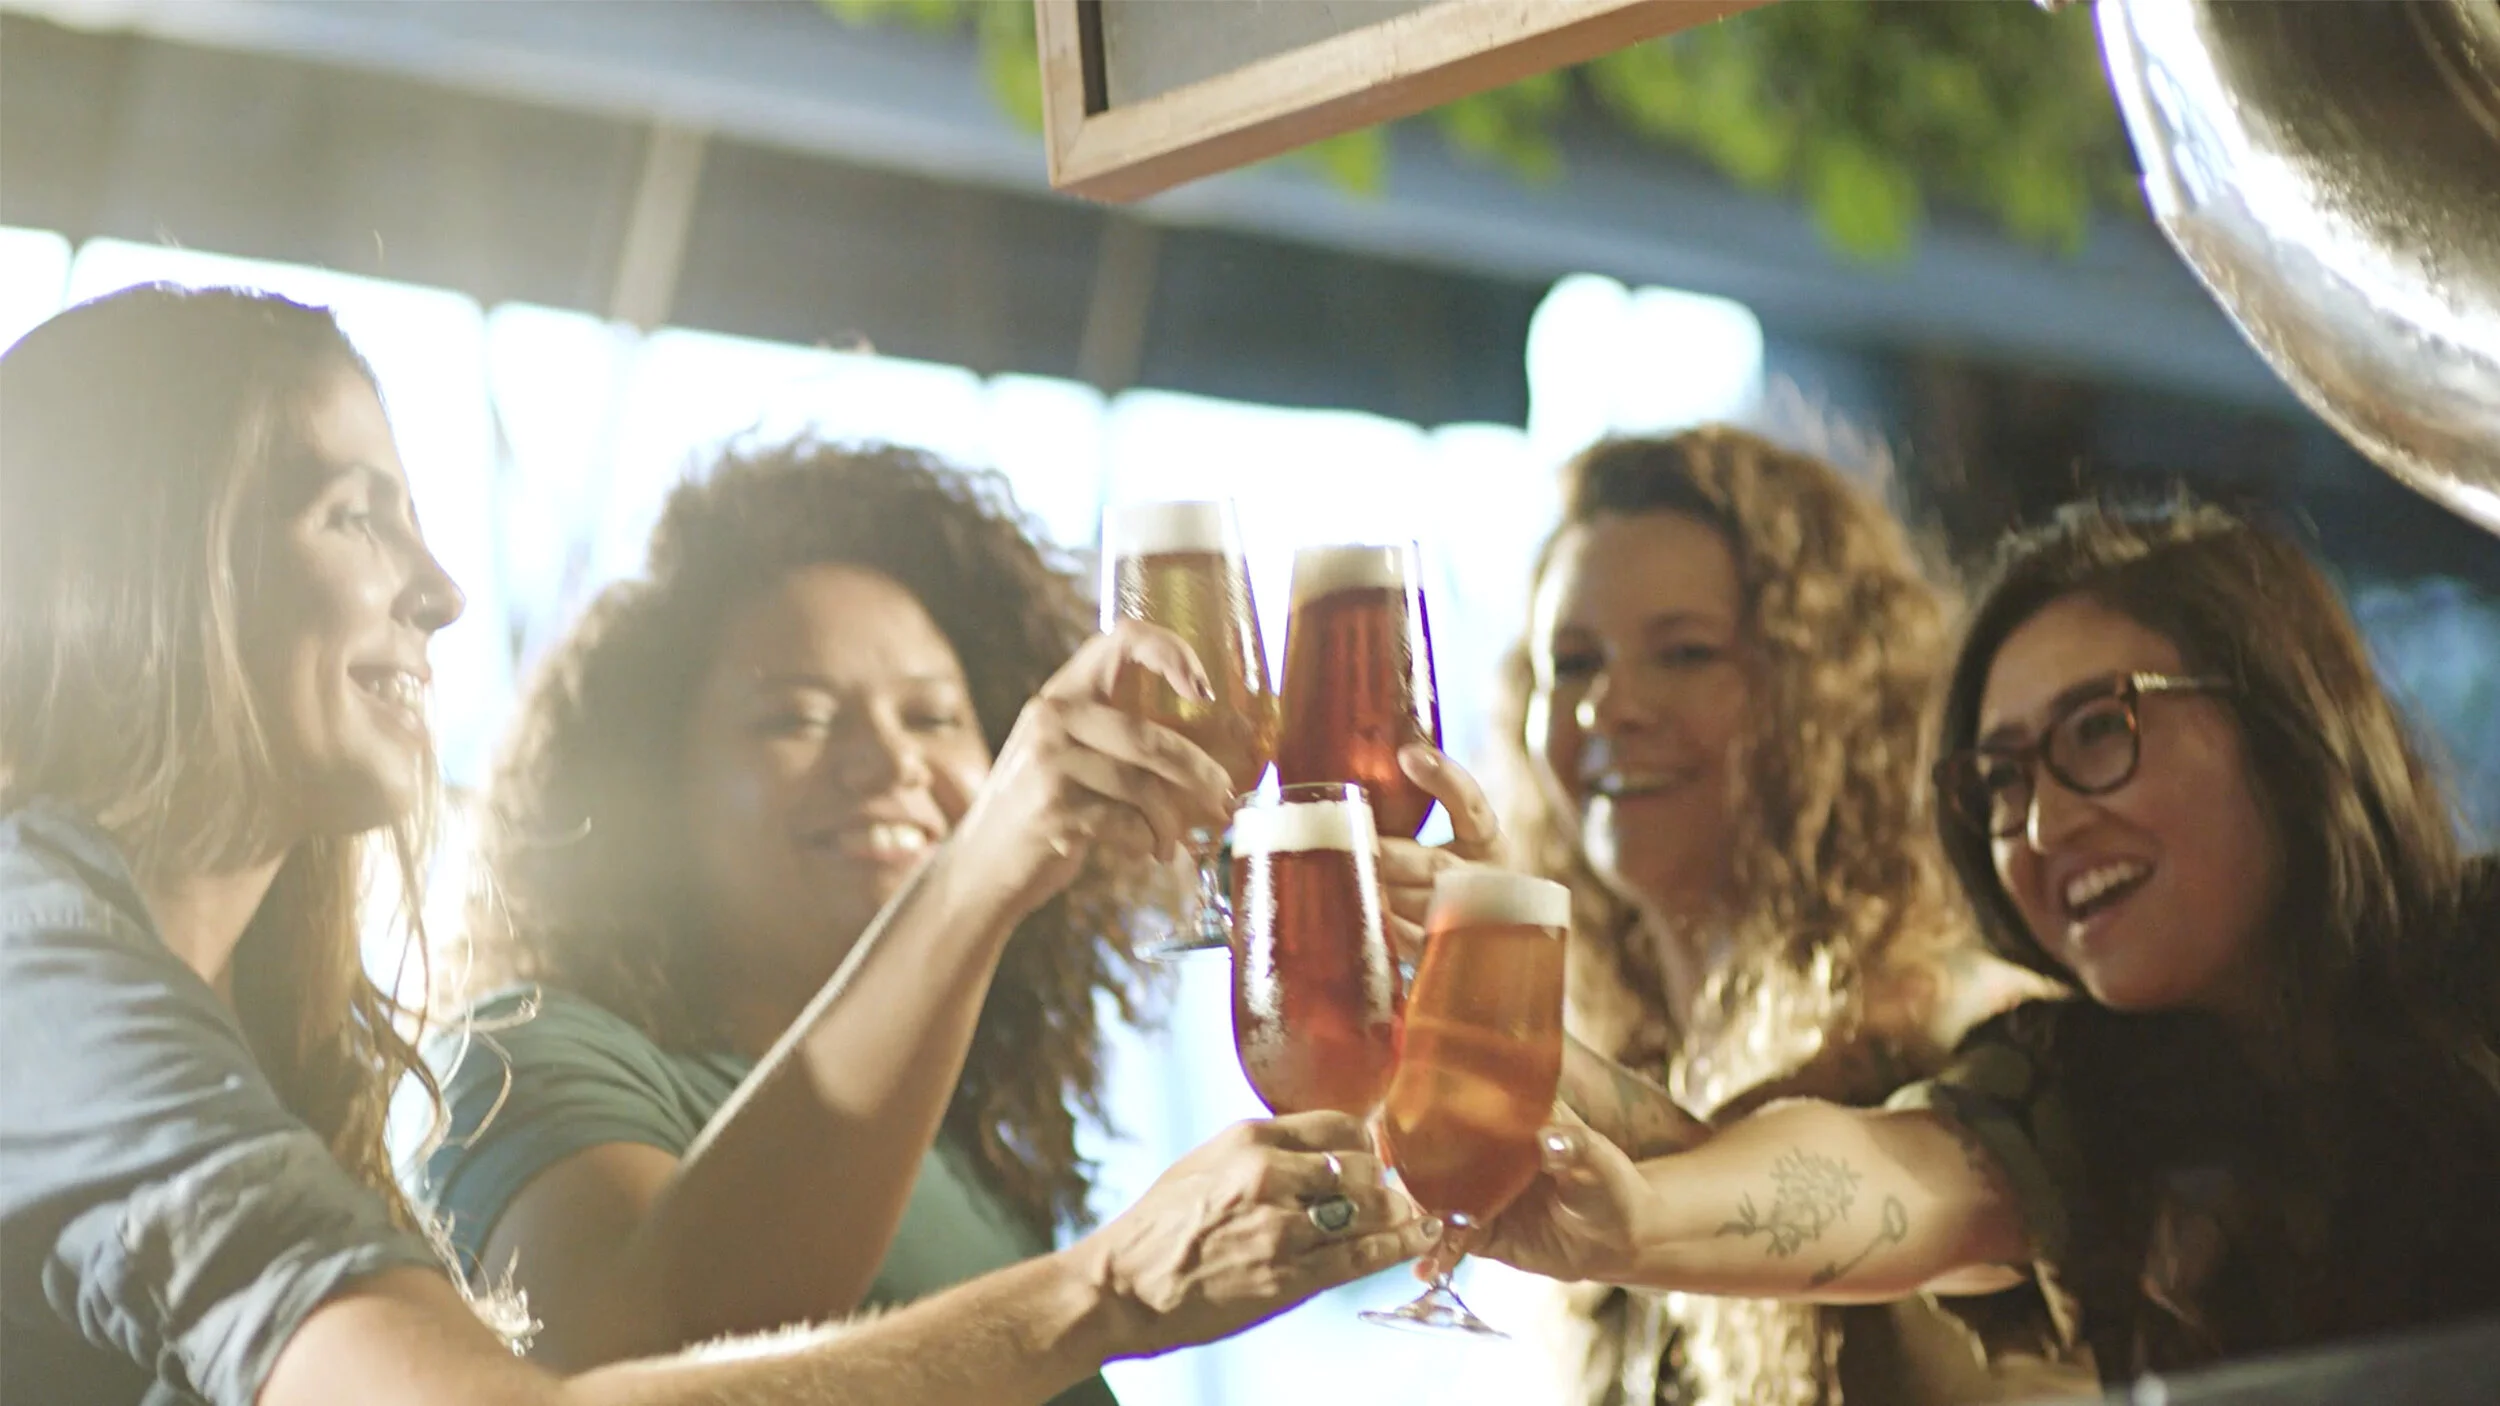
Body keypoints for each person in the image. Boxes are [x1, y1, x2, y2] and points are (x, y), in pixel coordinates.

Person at [0, 284, 1440, 1406]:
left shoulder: (246, 1021)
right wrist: (1102, 1291)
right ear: (138, 568)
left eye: (935, 713)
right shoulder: (39, 970)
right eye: (352, 516)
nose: (437, 589)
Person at [1457, 497, 2500, 1382]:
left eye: (2099, 728)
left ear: (2282, 720)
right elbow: (1884, 1174)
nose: (2042, 823)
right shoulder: (2085, 1088)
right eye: (2002, 779)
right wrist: (1625, 1212)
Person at [409, 442, 1278, 1396]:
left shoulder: (958, 1140)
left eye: (933, 718)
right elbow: (626, 1368)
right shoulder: (522, 1052)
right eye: (797, 718)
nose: (889, 762)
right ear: (652, 788)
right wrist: (978, 870)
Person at [1380, 429, 2068, 1405]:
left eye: (1685, 652)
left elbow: (1738, 1183)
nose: (1608, 706)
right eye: (1572, 662)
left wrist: (1508, 1016)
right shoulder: (1644, 1045)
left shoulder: (1968, 1028)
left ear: (1825, 685)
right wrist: (1489, 983)